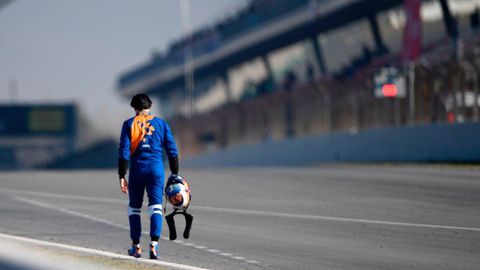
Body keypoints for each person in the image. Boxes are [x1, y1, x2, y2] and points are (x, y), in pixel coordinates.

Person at [118, 93, 179, 259]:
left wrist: (122, 175)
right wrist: (175, 173)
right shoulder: (161, 123)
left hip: (137, 171)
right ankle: (154, 246)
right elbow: (172, 149)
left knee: (134, 208)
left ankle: (136, 247)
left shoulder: (129, 124)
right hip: (156, 171)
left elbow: (123, 152)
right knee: (156, 207)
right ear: (149, 106)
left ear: (134, 108)